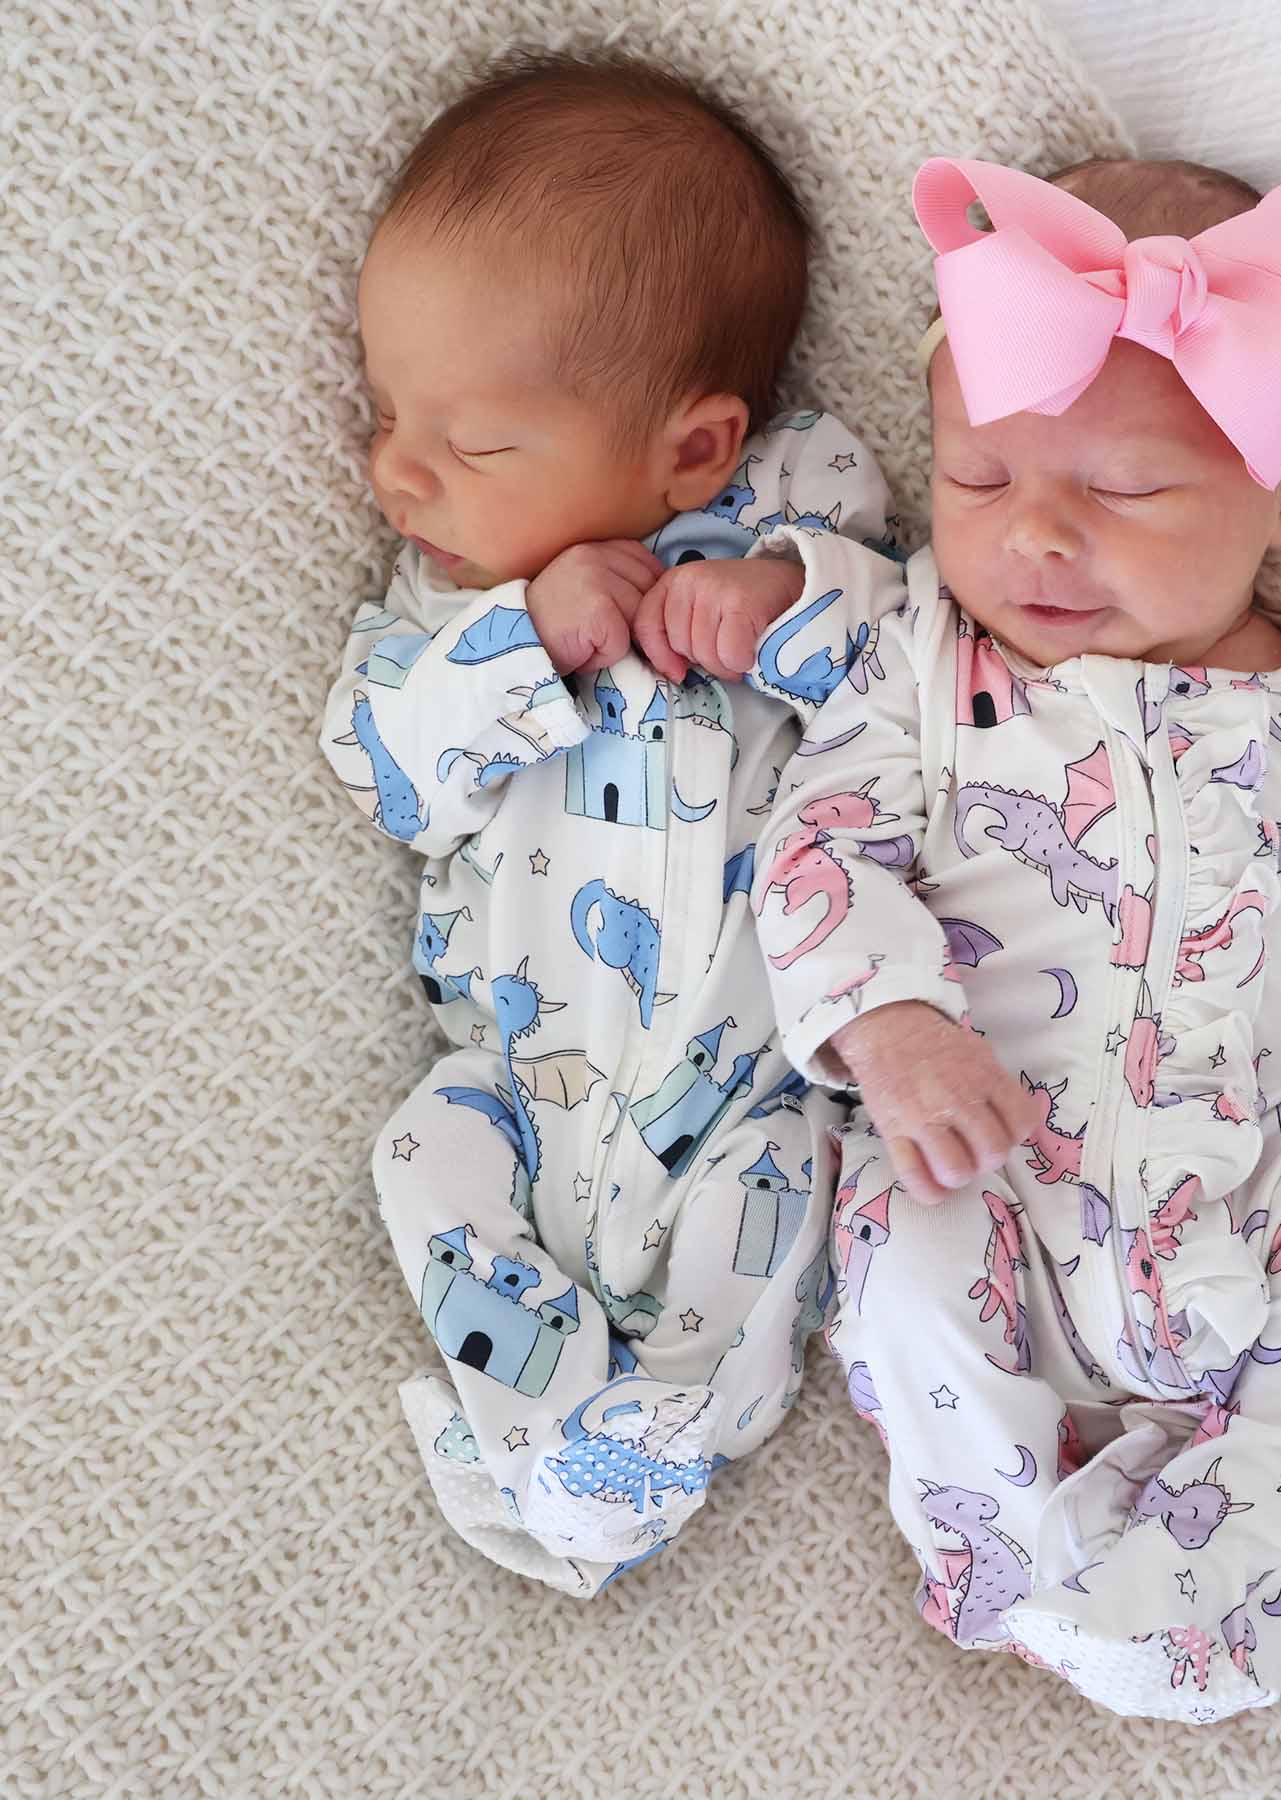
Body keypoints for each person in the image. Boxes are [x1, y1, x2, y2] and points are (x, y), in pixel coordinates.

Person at [751, 155, 1281, 1718]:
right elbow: (818, 843)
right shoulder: (922, 664)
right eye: (977, 479)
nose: (1033, 538)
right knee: (899, 1238)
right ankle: (1005, 1542)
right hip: (995, 1181)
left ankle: (1205, 1582)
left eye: (1126, 491)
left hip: (1239, 1211)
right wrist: (892, 1028)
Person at [318, 49, 895, 1597]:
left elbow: (919, 678)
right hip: (523, 1086)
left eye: (472, 444)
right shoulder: (444, 621)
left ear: (694, 447)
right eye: (390, 412)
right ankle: (551, 1427)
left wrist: (784, 602)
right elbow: (382, 772)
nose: (397, 470)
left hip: (753, 1080)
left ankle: (673, 1421)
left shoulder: (800, 510)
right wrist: (520, 642)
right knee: (419, 1157)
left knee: (781, 1213)